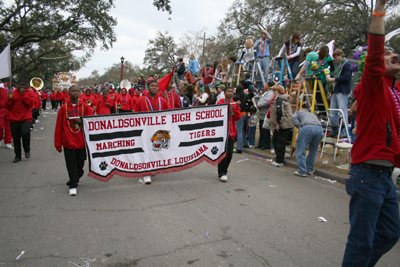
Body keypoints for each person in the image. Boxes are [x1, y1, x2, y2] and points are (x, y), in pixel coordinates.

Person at [341, 1, 400, 265]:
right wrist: (380, 10)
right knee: (361, 241)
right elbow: (375, 51)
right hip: (368, 175)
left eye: (394, 52)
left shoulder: (393, 90)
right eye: (388, 53)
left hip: (386, 177)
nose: (392, 54)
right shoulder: (374, 84)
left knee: (389, 232)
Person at [54, 85, 94, 196]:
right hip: (68, 142)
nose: (75, 93)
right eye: (73, 91)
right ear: (69, 93)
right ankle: (73, 185)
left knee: (80, 164)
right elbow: (58, 127)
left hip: (81, 142)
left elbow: (91, 121)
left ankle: (76, 176)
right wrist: (58, 144)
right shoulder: (63, 108)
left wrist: (82, 121)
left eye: (77, 91)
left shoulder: (84, 106)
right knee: (71, 164)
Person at [135, 80, 172, 184]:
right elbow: (135, 116)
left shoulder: (163, 101)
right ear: (148, 87)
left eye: (156, 86)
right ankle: (146, 174)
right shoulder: (141, 100)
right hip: (145, 131)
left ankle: (154, 168)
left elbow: (170, 113)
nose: (154, 87)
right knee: (146, 151)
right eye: (152, 86)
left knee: (156, 150)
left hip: (158, 132)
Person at [4, 78, 35, 163]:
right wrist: (9, 99)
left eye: (23, 85)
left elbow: (30, 104)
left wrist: (24, 94)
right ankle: (18, 155)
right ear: (17, 85)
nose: (21, 86)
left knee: (25, 133)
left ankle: (27, 149)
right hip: (14, 119)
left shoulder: (30, 93)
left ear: (26, 86)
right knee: (16, 138)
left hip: (26, 118)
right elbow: (6, 106)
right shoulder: (12, 93)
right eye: (20, 85)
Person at [216, 87, 241, 181]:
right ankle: (222, 172)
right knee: (223, 152)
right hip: (222, 131)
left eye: (232, 91)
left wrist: (237, 107)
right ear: (224, 92)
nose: (230, 93)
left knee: (229, 153)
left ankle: (225, 170)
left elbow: (237, 117)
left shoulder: (234, 103)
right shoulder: (220, 103)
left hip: (231, 130)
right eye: (228, 91)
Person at [326, 49, 352, 138]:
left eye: (336, 57)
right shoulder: (338, 66)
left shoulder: (347, 65)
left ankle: (344, 132)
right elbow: (337, 77)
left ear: (341, 55)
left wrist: (333, 79)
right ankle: (334, 130)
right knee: (333, 112)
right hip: (336, 90)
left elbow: (346, 77)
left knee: (342, 112)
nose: (335, 59)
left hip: (343, 91)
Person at [291, 108, 323, 177]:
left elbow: (293, 118)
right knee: (313, 151)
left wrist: (299, 127)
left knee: (301, 150)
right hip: (320, 129)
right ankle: (309, 169)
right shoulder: (312, 115)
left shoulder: (298, 112)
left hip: (307, 128)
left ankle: (302, 171)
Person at [268, 84, 294, 167]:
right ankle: (278, 157)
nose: (273, 93)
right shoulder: (282, 99)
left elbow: (280, 112)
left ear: (278, 92)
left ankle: (280, 160)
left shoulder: (279, 100)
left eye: (274, 91)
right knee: (276, 140)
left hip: (283, 124)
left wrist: (278, 123)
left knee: (279, 142)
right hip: (284, 123)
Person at [256, 82, 275, 150]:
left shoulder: (270, 93)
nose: (264, 86)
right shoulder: (266, 93)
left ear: (269, 86)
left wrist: (259, 105)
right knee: (261, 129)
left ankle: (266, 144)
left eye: (266, 84)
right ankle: (261, 143)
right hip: (262, 114)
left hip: (265, 114)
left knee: (265, 130)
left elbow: (266, 102)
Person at [234, 84, 252, 153]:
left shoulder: (237, 97)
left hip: (239, 114)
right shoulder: (246, 96)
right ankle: (245, 144)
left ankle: (239, 148)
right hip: (245, 114)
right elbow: (250, 103)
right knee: (241, 130)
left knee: (239, 131)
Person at [0, 82, 13, 149]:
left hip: (9, 109)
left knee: (8, 126)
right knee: (0, 126)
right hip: (1, 109)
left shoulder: (13, 88)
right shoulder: (1, 87)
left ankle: (8, 142)